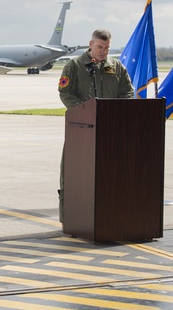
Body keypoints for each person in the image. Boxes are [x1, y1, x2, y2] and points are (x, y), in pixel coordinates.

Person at [57, 29, 134, 222]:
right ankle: (71, 217)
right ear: (90, 44)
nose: (103, 52)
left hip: (110, 130)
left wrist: (117, 113)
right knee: (74, 174)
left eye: (107, 48)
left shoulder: (117, 67)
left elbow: (127, 92)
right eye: (100, 47)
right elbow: (65, 92)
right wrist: (86, 113)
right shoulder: (74, 66)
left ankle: (110, 214)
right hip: (82, 130)